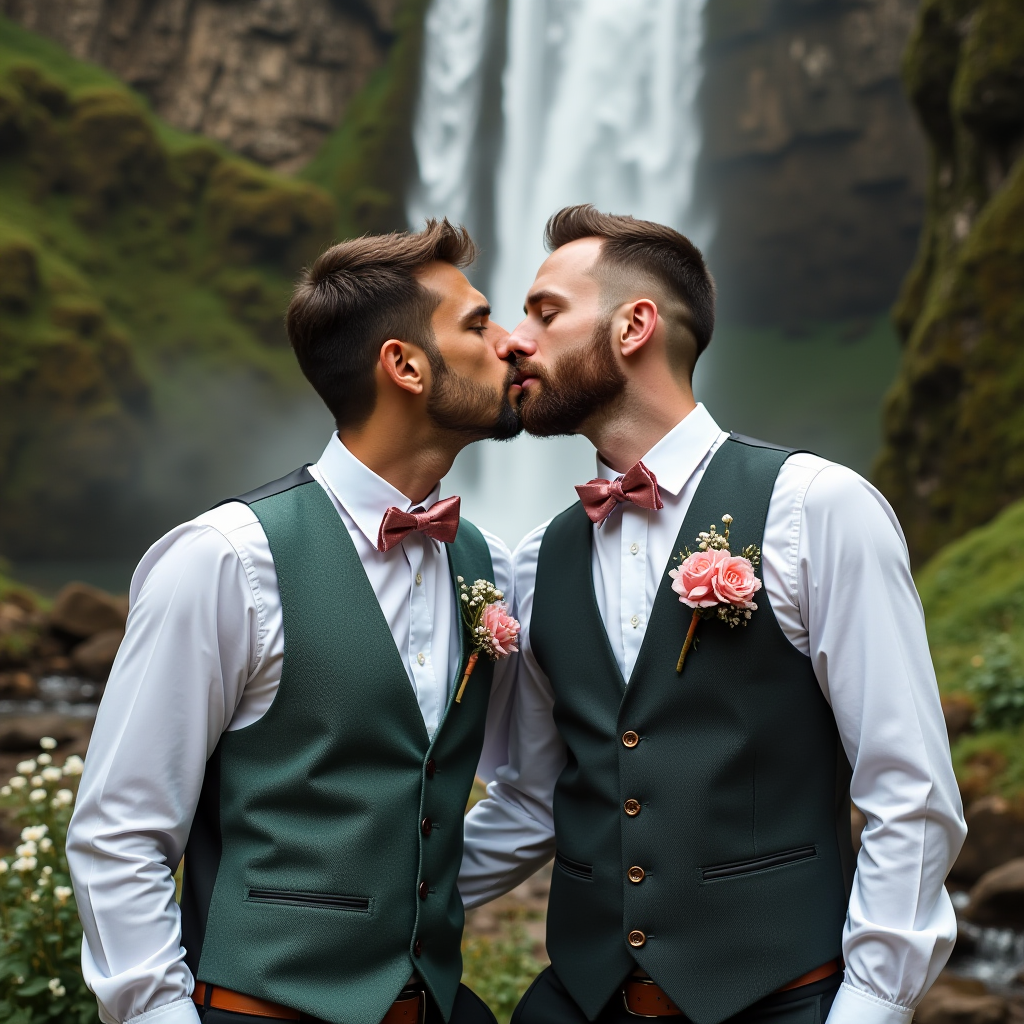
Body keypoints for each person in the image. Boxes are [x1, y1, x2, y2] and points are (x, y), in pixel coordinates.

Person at [459, 205, 967, 1024]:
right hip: (578, 1008)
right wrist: (385, 902)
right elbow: (530, 795)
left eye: (545, 312)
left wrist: (872, 1006)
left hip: (785, 1003)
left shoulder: (819, 509)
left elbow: (906, 789)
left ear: (635, 325)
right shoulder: (537, 558)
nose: (513, 340)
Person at [67, 220, 523, 1024]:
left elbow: (509, 793)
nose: (513, 345)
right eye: (479, 325)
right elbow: (119, 833)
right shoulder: (225, 561)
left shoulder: (482, 562)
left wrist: (406, 893)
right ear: (405, 365)